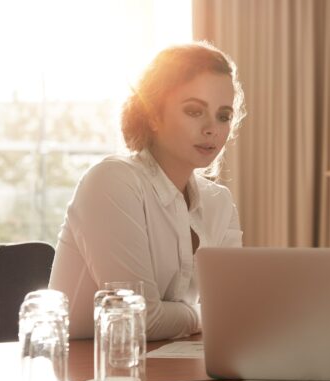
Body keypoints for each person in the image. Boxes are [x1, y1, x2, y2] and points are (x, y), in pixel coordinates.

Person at [49, 42, 246, 341]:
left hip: (172, 365)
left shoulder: (218, 201)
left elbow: (233, 309)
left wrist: (207, 316)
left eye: (224, 116)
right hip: (85, 372)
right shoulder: (111, 181)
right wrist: (203, 315)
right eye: (194, 111)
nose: (212, 129)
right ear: (153, 114)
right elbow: (138, 319)